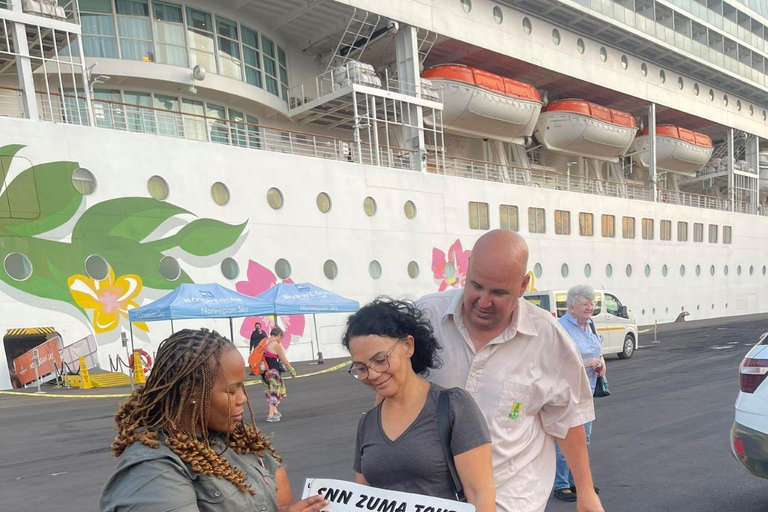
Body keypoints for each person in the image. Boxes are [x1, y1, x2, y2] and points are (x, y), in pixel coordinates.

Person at [416, 230, 603, 512]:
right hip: (433, 496)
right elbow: (390, 395)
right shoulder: (424, 318)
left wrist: (586, 492)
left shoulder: (547, 337)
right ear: (467, 271)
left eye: (499, 292)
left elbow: (569, 416)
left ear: (523, 285)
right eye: (476, 286)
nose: (483, 301)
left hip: (512, 496)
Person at [99, 328, 329, 512]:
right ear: (190, 393)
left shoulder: (240, 439)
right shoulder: (152, 469)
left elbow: (280, 499)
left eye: (243, 388)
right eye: (231, 391)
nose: (242, 399)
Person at [343, 299, 495, 512]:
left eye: (380, 360)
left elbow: (480, 495)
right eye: (361, 368)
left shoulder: (453, 406)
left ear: (408, 346)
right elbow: (362, 500)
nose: (373, 375)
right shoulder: (367, 424)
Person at [553, 285, 607, 502]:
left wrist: (601, 364)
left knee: (584, 439)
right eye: (585, 304)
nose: (590, 307)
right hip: (567, 392)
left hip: (587, 391)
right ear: (572, 306)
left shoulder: (591, 325)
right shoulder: (560, 328)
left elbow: (597, 351)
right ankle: (561, 484)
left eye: (592, 303)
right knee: (567, 439)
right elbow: (555, 362)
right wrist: (584, 364)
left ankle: (579, 482)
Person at [262, 326, 296, 423]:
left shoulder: (264, 342)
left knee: (269, 392)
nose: (281, 340)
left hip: (264, 372)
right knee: (274, 393)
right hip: (274, 372)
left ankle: (275, 412)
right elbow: (285, 361)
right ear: (278, 335)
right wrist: (292, 370)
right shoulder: (276, 345)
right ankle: (271, 415)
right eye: (281, 338)